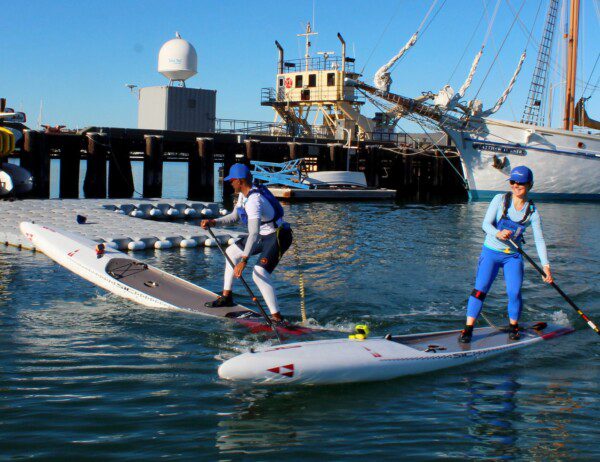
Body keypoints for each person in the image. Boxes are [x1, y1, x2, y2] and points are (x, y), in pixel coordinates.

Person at [459, 166, 554, 343]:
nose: (516, 185)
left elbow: (539, 240)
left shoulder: (532, 212)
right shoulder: (499, 200)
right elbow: (486, 225)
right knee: (480, 291)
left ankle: (514, 327)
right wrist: (497, 233)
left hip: (513, 257)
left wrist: (546, 267)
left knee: (514, 292)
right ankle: (468, 329)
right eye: (512, 182)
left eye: (521, 183)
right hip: (491, 253)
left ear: (530, 184)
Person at [201, 163, 293, 324]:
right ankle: (227, 296)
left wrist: (244, 260)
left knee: (259, 274)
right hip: (262, 235)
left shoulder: (254, 201)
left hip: (278, 236)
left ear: (240, 181)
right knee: (231, 252)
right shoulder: (244, 195)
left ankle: (277, 318)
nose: (229, 183)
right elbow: (234, 217)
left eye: (232, 180)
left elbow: (254, 233)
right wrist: (213, 222)